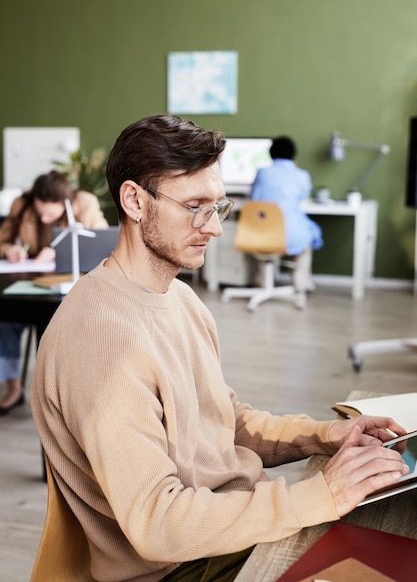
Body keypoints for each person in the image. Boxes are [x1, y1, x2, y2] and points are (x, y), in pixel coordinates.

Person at [31, 115, 409, 582]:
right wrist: (319, 495)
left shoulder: (180, 298)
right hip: (183, 567)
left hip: (228, 534)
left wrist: (327, 436)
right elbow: (158, 524)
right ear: (134, 201)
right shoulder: (100, 339)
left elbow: (222, 420)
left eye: (218, 207)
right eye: (195, 207)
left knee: (393, 520)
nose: (215, 228)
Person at [0, 169, 108, 415]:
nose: (44, 217)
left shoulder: (85, 203)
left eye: (51, 212)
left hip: (72, 285)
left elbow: (102, 245)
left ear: (66, 203)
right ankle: (13, 389)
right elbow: (2, 239)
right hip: (31, 283)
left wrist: (60, 251)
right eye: (40, 212)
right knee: (5, 320)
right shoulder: (22, 204)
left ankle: (75, 394)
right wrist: (9, 250)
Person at [250, 136, 323, 310]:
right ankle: (301, 284)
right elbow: (302, 198)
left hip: (263, 234)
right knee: (305, 240)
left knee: (265, 240)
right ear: (293, 155)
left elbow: (254, 199)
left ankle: (260, 281)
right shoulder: (302, 175)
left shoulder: (262, 172)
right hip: (291, 235)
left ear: (271, 153)